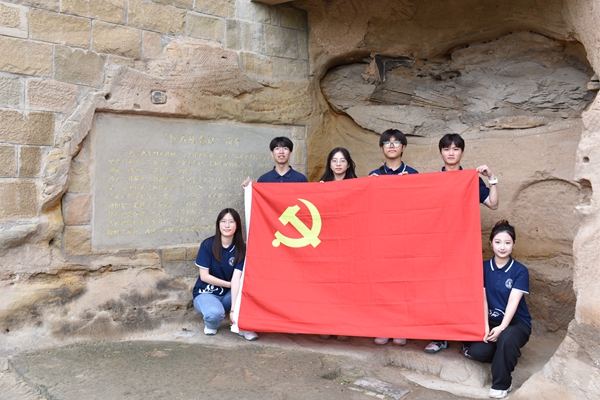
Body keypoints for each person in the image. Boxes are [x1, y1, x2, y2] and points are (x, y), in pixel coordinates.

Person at [424, 133, 500, 354]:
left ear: (462, 153)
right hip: (437, 245)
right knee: (437, 291)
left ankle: (466, 338)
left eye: (456, 149)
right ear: (441, 153)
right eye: (447, 149)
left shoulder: (470, 179)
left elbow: (493, 204)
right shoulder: (432, 180)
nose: (451, 153)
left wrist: (491, 177)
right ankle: (439, 337)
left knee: (464, 290)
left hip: (463, 245)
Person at [464, 220, 531, 399]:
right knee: (477, 352)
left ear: (514, 244)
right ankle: (508, 352)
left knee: (507, 338)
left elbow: (513, 302)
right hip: (491, 321)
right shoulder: (483, 267)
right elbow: (482, 299)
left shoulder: (520, 271)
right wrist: (485, 326)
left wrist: (502, 327)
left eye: (507, 242)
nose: (502, 247)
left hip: (516, 323)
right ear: (491, 243)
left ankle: (501, 384)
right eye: (498, 242)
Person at [369, 129, 417, 346]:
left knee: (404, 284)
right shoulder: (373, 175)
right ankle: (383, 326)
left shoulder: (413, 175)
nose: (391, 146)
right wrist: (368, 187)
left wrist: (411, 187)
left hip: (406, 240)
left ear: (403, 147)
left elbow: (424, 207)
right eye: (387, 143)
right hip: (381, 239)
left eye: (396, 142)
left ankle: (401, 327)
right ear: (381, 148)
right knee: (382, 284)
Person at [192, 208, 258, 341]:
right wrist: (228, 284)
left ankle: (241, 326)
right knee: (214, 314)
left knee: (250, 290)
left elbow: (236, 278)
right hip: (207, 293)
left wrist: (233, 310)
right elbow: (205, 276)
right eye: (223, 221)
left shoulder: (241, 248)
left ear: (237, 225)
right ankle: (212, 324)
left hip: (229, 295)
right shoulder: (208, 244)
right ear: (218, 224)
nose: (227, 225)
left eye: (231, 221)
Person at [316, 147, 357, 342]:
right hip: (326, 243)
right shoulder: (320, 186)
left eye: (342, 160)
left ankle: (343, 326)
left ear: (348, 164)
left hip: (350, 243)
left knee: (346, 286)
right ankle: (326, 323)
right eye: (334, 160)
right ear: (329, 164)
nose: (338, 164)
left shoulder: (358, 186)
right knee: (326, 285)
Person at [242, 136, 308, 186]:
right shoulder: (263, 180)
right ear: (272, 154)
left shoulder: (301, 179)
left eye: (285, 148)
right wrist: (248, 189)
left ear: (290, 153)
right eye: (277, 148)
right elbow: (258, 199)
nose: (281, 152)